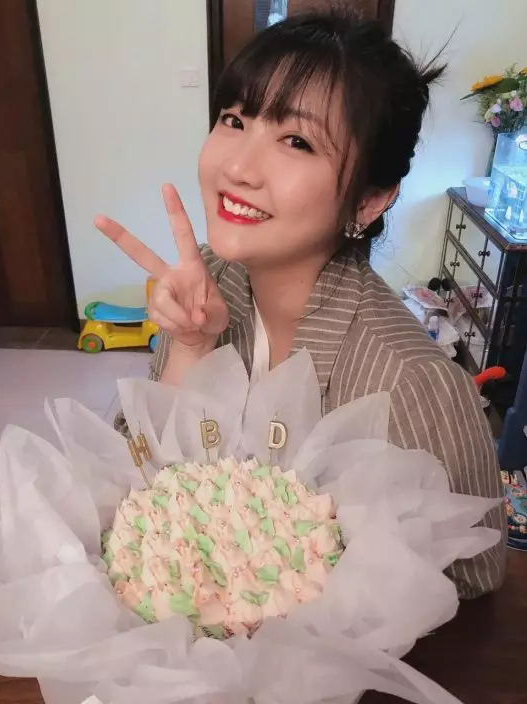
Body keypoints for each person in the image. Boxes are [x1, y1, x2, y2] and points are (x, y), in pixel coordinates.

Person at [95, 8, 505, 598]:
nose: (237, 167)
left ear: (369, 201)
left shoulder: (411, 382)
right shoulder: (208, 281)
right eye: (234, 119)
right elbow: (152, 486)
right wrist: (189, 348)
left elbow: (475, 572)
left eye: (296, 141)